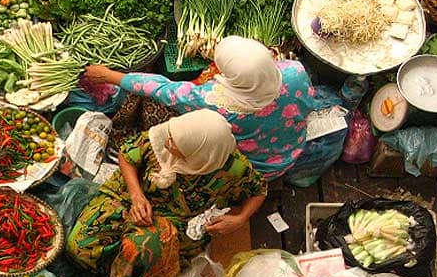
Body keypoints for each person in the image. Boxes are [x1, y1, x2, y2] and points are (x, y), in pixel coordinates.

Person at [66, 108, 267, 277]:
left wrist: (240, 218)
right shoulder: (164, 136)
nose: (168, 143)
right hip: (128, 198)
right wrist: (136, 196)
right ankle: (111, 268)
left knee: (140, 253)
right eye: (171, 138)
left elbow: (259, 190)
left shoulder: (232, 168)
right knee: (79, 248)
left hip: (172, 221)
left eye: (176, 144)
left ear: (199, 156)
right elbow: (127, 156)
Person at [84, 36, 317, 180]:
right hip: (288, 155)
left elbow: (161, 89)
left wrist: (108, 75)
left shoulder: (215, 102)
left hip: (249, 169)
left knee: (151, 103)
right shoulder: (294, 72)